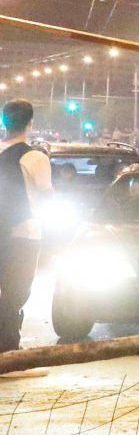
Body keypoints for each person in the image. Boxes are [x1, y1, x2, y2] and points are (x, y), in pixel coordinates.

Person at [0, 101, 51, 377]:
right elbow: (46, 197)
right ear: (30, 124)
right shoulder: (35, 158)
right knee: (16, 293)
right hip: (24, 234)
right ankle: (9, 355)